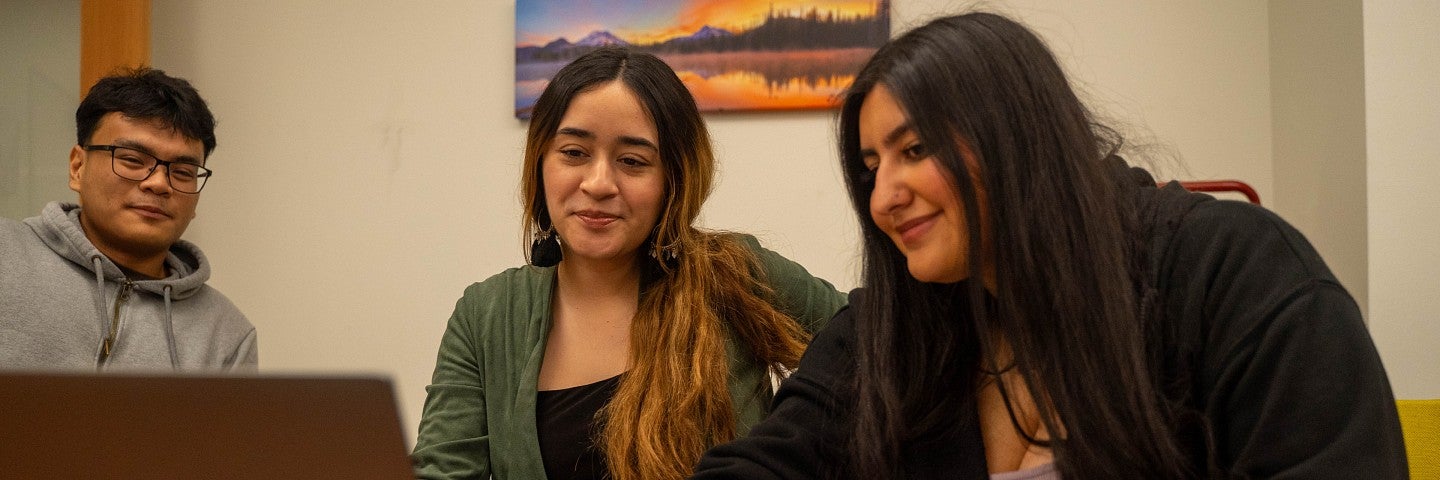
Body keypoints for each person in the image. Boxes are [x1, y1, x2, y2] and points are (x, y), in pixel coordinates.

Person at [692, 12, 1407, 479]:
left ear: (1019, 135)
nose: (883, 198)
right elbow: (773, 463)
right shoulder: (895, 325)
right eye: (872, 168)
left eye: (915, 149)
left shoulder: (1233, 273)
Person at [410, 47, 847, 480]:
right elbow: (443, 470)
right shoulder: (485, 316)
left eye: (632, 161)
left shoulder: (733, 275)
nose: (599, 183)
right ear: (540, 163)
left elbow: (884, 345)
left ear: (672, 179)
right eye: (574, 152)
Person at [0, 67, 257, 371]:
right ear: (77, 167)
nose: (159, 183)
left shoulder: (227, 334)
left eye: (183, 173)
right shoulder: (7, 255)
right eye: (133, 160)